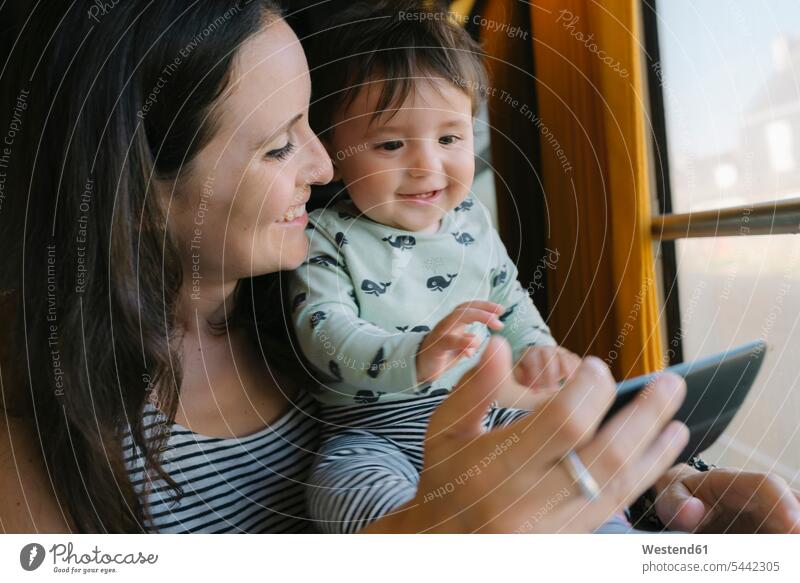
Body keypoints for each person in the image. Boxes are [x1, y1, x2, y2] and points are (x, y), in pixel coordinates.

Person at [1, 0, 798, 535]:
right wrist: (431, 543)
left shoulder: (295, 293)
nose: (322, 166)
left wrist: (652, 503)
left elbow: (510, 348)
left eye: (314, 124)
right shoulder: (40, 428)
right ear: (133, 189)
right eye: (279, 144)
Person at [287, 1, 622, 534]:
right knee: (339, 490)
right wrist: (415, 353)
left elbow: (507, 296)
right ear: (332, 149)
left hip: (485, 411)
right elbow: (322, 331)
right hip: (375, 431)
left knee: (572, 457)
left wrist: (536, 348)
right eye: (391, 143)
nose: (428, 166)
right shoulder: (326, 235)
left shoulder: (470, 219)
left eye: (449, 138)